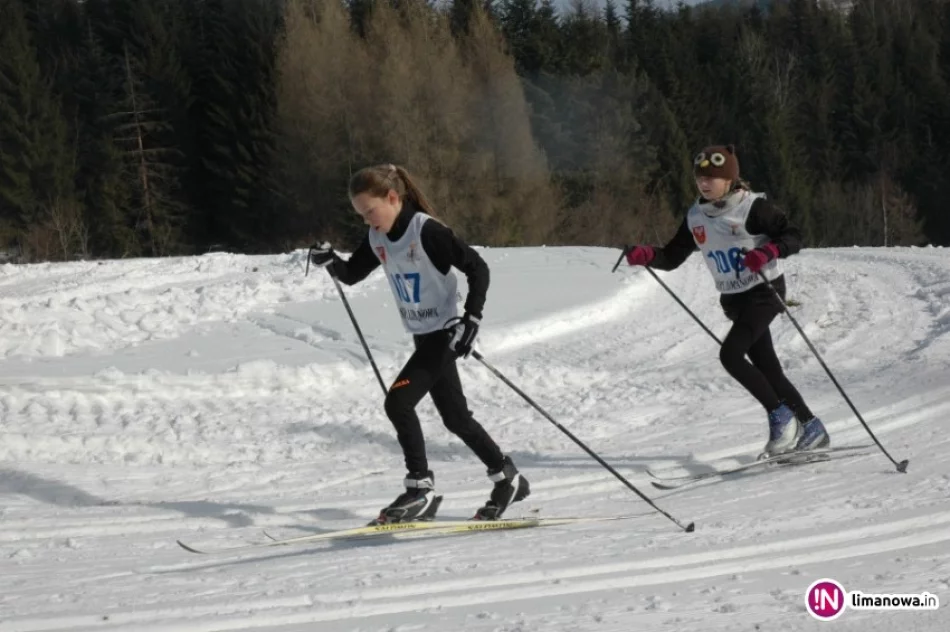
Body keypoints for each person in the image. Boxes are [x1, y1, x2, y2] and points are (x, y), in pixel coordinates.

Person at [309, 163, 530, 523]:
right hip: (423, 335)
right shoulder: (378, 237)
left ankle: (419, 488)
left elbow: (478, 268)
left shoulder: (425, 231)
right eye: (361, 215)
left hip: (445, 334)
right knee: (456, 418)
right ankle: (508, 478)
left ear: (393, 198)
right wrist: (330, 260)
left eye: (370, 211)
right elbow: (351, 275)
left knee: (398, 402)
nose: (367, 221)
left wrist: (471, 319)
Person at [622, 145, 829, 457]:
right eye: (700, 178)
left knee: (730, 356)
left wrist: (768, 252)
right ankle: (811, 427)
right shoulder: (696, 216)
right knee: (768, 369)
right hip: (735, 301)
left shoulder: (752, 208)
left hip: (764, 293)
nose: (704, 184)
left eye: (712, 178)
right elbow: (672, 255)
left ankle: (781, 417)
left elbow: (793, 235)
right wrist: (647, 255)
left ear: (730, 180)